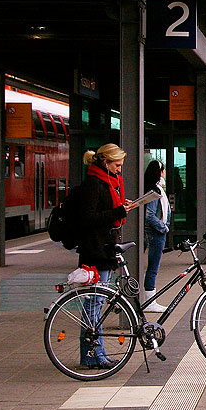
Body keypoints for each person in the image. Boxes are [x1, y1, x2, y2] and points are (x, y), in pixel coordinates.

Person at [75, 143, 135, 369]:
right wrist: (118, 211)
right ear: (105, 162)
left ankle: (95, 353)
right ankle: (92, 355)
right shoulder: (94, 183)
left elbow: (105, 211)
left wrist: (121, 207)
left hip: (104, 247)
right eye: (117, 165)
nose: (119, 170)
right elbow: (88, 218)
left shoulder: (108, 181)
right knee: (93, 305)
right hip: (95, 250)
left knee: (96, 303)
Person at [141, 160, 171, 313]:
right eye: (163, 170)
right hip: (156, 233)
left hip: (156, 232)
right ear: (160, 172)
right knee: (153, 266)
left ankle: (149, 298)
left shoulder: (156, 189)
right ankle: (150, 300)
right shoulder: (155, 190)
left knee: (153, 266)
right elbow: (149, 215)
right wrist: (163, 227)